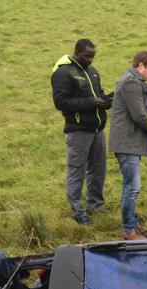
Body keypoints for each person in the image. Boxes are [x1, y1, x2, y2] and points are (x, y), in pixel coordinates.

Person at [109, 51, 147, 240]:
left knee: (132, 186)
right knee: (132, 188)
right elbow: (139, 115)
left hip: (130, 142)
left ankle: (134, 225)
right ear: (141, 66)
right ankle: (129, 231)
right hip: (127, 143)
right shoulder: (130, 83)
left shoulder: (135, 82)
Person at [50, 39, 110, 224]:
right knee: (77, 171)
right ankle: (77, 211)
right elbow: (60, 102)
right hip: (78, 131)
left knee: (98, 169)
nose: (90, 60)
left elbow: (98, 95)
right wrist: (92, 103)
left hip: (97, 130)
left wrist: (107, 100)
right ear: (76, 52)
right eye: (87, 56)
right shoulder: (63, 73)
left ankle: (96, 206)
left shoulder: (92, 72)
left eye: (93, 56)